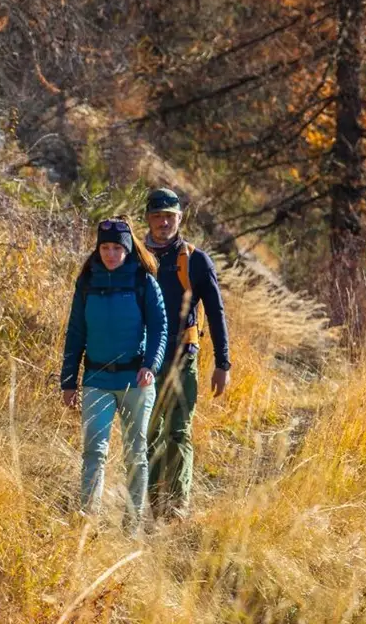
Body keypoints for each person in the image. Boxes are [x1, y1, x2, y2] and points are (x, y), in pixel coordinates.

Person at [60, 216, 168, 530]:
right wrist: (69, 380)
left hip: (136, 380)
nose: (110, 254)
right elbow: (76, 331)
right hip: (96, 379)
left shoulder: (142, 280)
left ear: (127, 248)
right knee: (94, 449)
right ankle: (87, 522)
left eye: (116, 248)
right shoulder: (88, 280)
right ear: (98, 248)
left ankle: (132, 526)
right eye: (105, 247)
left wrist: (151, 365)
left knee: (135, 454)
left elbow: (160, 327)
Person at [142, 187, 232, 521]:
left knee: (177, 430)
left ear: (180, 218)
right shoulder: (133, 256)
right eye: (156, 216)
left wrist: (223, 363)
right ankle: (153, 504)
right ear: (148, 219)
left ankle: (176, 506)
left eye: (169, 216)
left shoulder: (196, 260)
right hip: (145, 359)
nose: (163, 222)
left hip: (183, 357)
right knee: (148, 431)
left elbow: (216, 311)